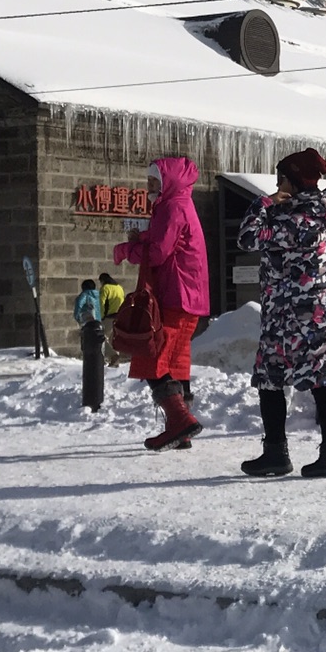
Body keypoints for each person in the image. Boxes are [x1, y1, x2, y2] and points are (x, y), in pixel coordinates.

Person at [237, 148, 326, 480]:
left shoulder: (294, 217)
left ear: (293, 180)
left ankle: (281, 453)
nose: (276, 183)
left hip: (296, 317)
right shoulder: (323, 211)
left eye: (280, 178)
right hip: (319, 316)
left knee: (277, 381)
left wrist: (266, 203)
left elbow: (247, 237)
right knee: (320, 382)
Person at [113, 157, 210, 451]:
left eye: (154, 181)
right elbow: (165, 237)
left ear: (169, 182)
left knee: (151, 359)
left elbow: (157, 252)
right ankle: (181, 428)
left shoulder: (171, 206)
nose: (149, 187)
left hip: (174, 294)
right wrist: (140, 238)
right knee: (176, 362)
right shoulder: (180, 205)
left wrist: (128, 249)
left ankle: (180, 420)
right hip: (189, 296)